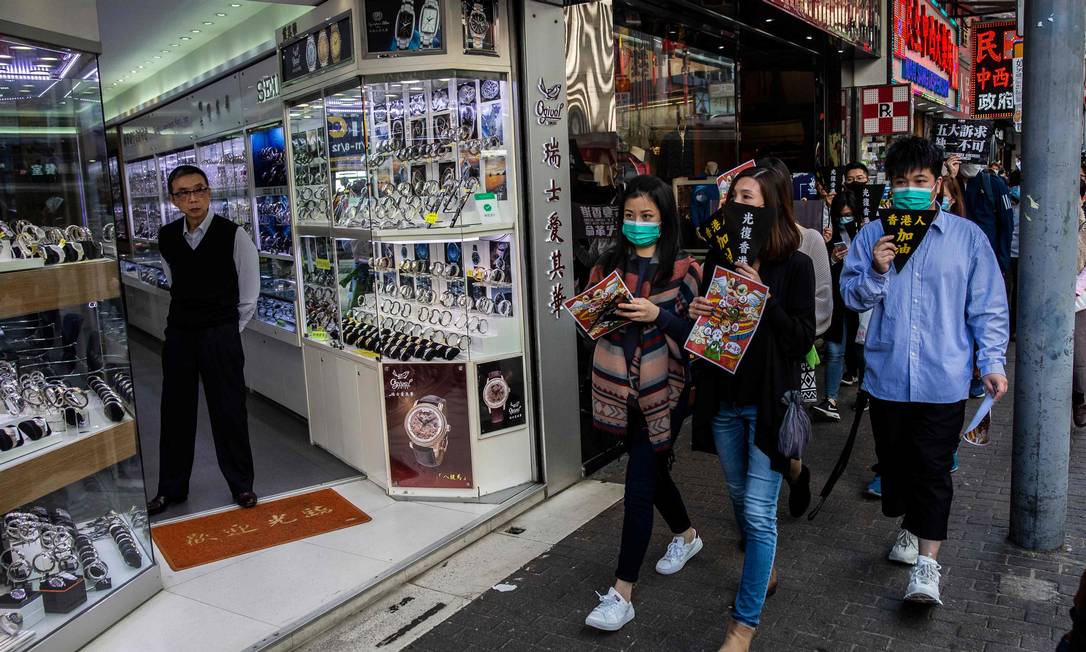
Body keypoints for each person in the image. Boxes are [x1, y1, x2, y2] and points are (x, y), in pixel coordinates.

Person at [840, 136, 1009, 605]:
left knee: (934, 470)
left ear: (937, 185)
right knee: (896, 469)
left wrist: (991, 362)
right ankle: (910, 527)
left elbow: (988, 307)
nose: (910, 189)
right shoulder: (873, 235)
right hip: (888, 377)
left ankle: (928, 566)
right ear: (888, 188)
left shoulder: (966, 238)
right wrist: (874, 270)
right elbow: (851, 297)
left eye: (920, 181)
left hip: (944, 379)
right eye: (901, 182)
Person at [690, 166, 816, 650]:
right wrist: (698, 310)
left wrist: (764, 298)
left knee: (761, 515)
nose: (735, 205)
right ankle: (765, 569)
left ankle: (742, 628)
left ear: (771, 206)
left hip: (769, 402)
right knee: (740, 498)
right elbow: (705, 321)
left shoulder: (796, 265)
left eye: (747, 197)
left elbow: (804, 337)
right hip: (724, 397)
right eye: (733, 197)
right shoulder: (717, 254)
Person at [583, 175, 703, 632]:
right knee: (651, 474)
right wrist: (598, 316)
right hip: (618, 387)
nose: (637, 224)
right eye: (630, 216)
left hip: (666, 391)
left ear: (664, 219)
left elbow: (696, 338)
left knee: (638, 487)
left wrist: (660, 315)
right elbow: (589, 326)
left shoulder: (684, 269)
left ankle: (622, 593)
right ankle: (687, 535)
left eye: (647, 216)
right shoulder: (606, 266)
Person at [147, 164, 260, 516]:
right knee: (175, 411)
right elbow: (174, 280)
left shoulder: (233, 234)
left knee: (228, 410)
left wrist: (228, 329)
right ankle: (171, 488)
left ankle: (241, 485)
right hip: (180, 333)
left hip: (220, 334)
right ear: (173, 200)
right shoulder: (167, 237)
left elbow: (249, 292)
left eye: (198, 190)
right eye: (183, 193)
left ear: (209, 192)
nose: (192, 198)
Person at [756, 156, 832, 515]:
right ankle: (760, 519)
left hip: (795, 352)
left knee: (788, 429)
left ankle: (797, 473)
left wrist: (800, 340)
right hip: (756, 360)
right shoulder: (742, 247)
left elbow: (821, 304)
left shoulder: (809, 240)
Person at [812, 190, 861, 423]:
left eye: (849, 214)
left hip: (861, 301)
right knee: (834, 350)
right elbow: (821, 274)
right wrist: (832, 257)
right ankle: (830, 399)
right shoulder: (828, 236)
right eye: (841, 215)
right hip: (837, 301)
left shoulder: (866, 233)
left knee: (861, 350)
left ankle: (866, 393)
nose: (845, 219)